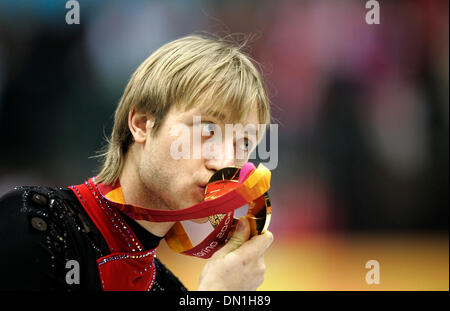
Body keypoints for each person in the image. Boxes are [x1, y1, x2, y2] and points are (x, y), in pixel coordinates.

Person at [0, 34, 274, 291]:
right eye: (208, 130)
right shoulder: (34, 221)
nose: (224, 162)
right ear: (142, 124)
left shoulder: (170, 287)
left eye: (244, 143)